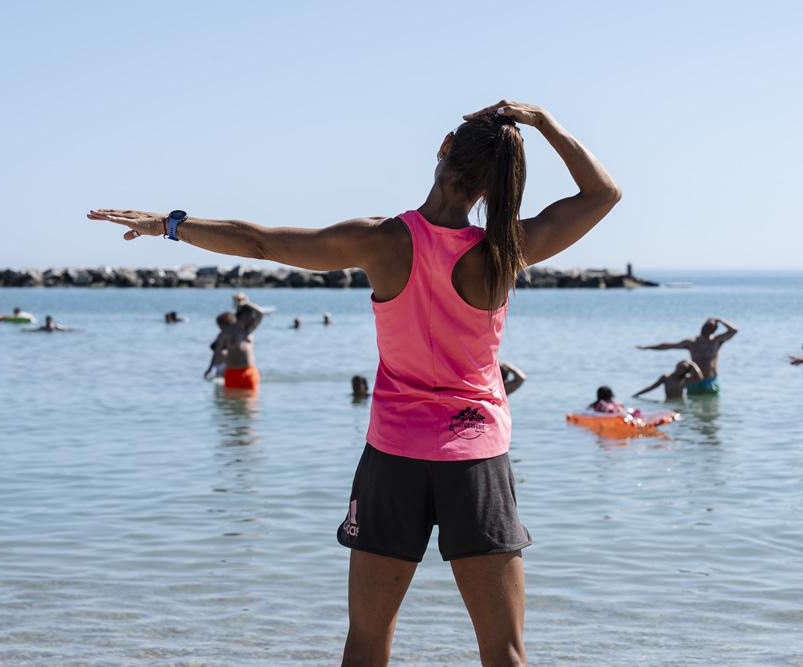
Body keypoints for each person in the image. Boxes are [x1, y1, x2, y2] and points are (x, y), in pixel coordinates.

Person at [88, 99, 621, 665]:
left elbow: (260, 241)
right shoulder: (505, 249)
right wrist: (542, 122)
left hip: (394, 456)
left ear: (443, 148)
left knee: (367, 641)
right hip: (476, 457)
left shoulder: (381, 241)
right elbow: (602, 195)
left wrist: (169, 225)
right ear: (494, 187)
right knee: (504, 649)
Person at [636, 317, 738, 396]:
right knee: (693, 412)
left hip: (710, 382)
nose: (707, 329)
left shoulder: (716, 341)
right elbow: (668, 346)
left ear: (714, 330)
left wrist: (720, 320)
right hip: (694, 381)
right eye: (706, 326)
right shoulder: (692, 342)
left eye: (710, 327)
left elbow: (734, 330)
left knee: (711, 410)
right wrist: (647, 347)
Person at [206, 302, 264, 391]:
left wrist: (246, 303)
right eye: (249, 315)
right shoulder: (226, 333)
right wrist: (210, 368)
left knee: (251, 402)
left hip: (249, 371)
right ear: (242, 316)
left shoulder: (249, 330)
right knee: (231, 403)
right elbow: (217, 351)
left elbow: (261, 313)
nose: (251, 318)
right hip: (232, 373)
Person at [632, 360, 704, 400]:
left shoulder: (684, 379)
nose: (680, 369)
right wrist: (637, 394)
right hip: (668, 402)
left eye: (684, 368)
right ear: (677, 365)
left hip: (681, 404)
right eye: (680, 366)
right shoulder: (666, 378)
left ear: (685, 371)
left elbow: (700, 378)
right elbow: (651, 387)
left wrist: (692, 364)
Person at [204, 312, 234, 380]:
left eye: (220, 325)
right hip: (221, 364)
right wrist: (210, 368)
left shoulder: (227, 336)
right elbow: (214, 350)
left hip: (228, 364)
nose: (219, 327)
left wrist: (210, 368)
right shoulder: (221, 335)